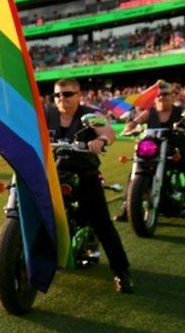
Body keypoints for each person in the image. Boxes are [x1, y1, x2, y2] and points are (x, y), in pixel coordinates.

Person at [45, 78, 133, 293]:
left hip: (84, 173)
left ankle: (121, 272)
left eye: (66, 94)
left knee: (101, 221)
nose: (61, 99)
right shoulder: (46, 115)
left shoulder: (89, 115)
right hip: (52, 174)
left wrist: (100, 141)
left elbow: (108, 133)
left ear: (78, 95)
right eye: (57, 95)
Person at [115, 82, 184, 221]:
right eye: (158, 95)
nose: (161, 97)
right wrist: (130, 127)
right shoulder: (150, 112)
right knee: (134, 173)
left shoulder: (180, 111)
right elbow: (136, 121)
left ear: (172, 96)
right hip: (152, 149)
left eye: (165, 94)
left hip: (174, 149)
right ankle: (126, 208)